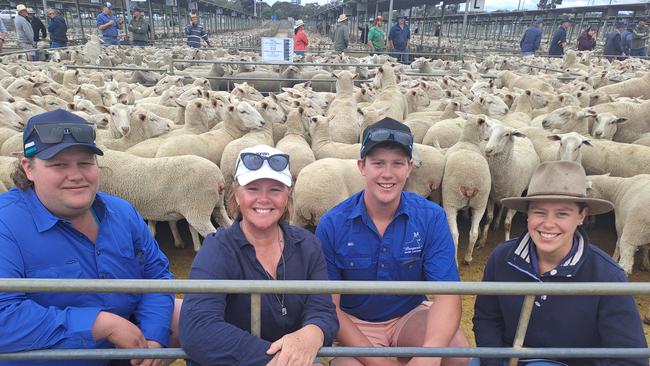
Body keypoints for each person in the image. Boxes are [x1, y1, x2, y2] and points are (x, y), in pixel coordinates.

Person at [0, 109, 181, 366]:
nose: (76, 175)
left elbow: (157, 276)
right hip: (52, 358)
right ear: (28, 168)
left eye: (85, 162)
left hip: (123, 350)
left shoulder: (121, 212)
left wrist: (154, 338)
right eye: (59, 164)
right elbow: (3, 316)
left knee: (187, 314)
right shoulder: (6, 223)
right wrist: (97, 324)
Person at [316, 118, 469, 366]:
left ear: (409, 168)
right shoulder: (333, 224)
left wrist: (427, 357)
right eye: (378, 163)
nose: (387, 174)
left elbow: (448, 295)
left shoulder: (431, 217)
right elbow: (329, 307)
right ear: (362, 166)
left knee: (457, 352)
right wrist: (382, 363)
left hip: (408, 314)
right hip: (353, 323)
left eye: (397, 163)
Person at [472, 161, 648, 366]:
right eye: (539, 212)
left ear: (581, 216)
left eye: (562, 214)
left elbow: (630, 357)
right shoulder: (502, 258)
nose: (548, 223)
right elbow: (487, 318)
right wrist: (492, 362)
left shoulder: (607, 275)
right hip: (508, 359)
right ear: (527, 214)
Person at [179, 144, 338, 366]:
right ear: (237, 193)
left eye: (275, 189)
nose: (264, 199)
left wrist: (313, 332)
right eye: (253, 188)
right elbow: (198, 327)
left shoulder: (308, 245)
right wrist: (274, 359)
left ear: (288, 194)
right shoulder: (217, 249)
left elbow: (322, 308)